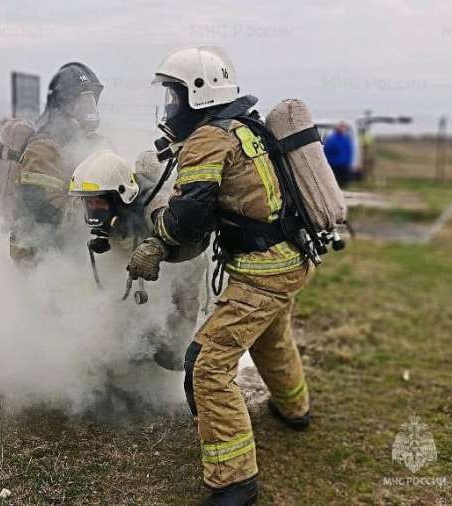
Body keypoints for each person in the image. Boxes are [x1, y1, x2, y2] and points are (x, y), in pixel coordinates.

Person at [127, 46, 312, 505]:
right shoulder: (245, 127)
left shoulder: (209, 139)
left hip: (261, 272)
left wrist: (155, 240)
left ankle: (234, 482)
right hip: (291, 259)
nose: (169, 106)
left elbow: (190, 217)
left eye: (174, 96)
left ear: (199, 95)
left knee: (207, 367)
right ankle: (295, 408)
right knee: (270, 336)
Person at [68, 149, 205, 370]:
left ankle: (189, 364)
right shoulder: (102, 202)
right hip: (137, 265)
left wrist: (157, 245)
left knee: (171, 353)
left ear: (120, 196)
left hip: (181, 266)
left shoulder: (155, 205)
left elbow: (185, 240)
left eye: (99, 203)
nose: (93, 209)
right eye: (88, 203)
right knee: (128, 342)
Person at [8, 62, 109, 268]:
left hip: (69, 247)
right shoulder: (44, 146)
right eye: (82, 103)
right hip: (38, 254)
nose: (89, 109)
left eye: (91, 101)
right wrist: (93, 210)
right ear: (64, 106)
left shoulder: (88, 141)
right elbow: (41, 205)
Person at [323, 122, 355, 188]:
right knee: (335, 184)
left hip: (344, 166)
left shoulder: (347, 138)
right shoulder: (331, 139)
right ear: (337, 128)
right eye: (341, 127)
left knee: (344, 184)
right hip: (335, 165)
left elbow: (349, 152)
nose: (343, 129)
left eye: (344, 127)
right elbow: (327, 150)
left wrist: (349, 163)